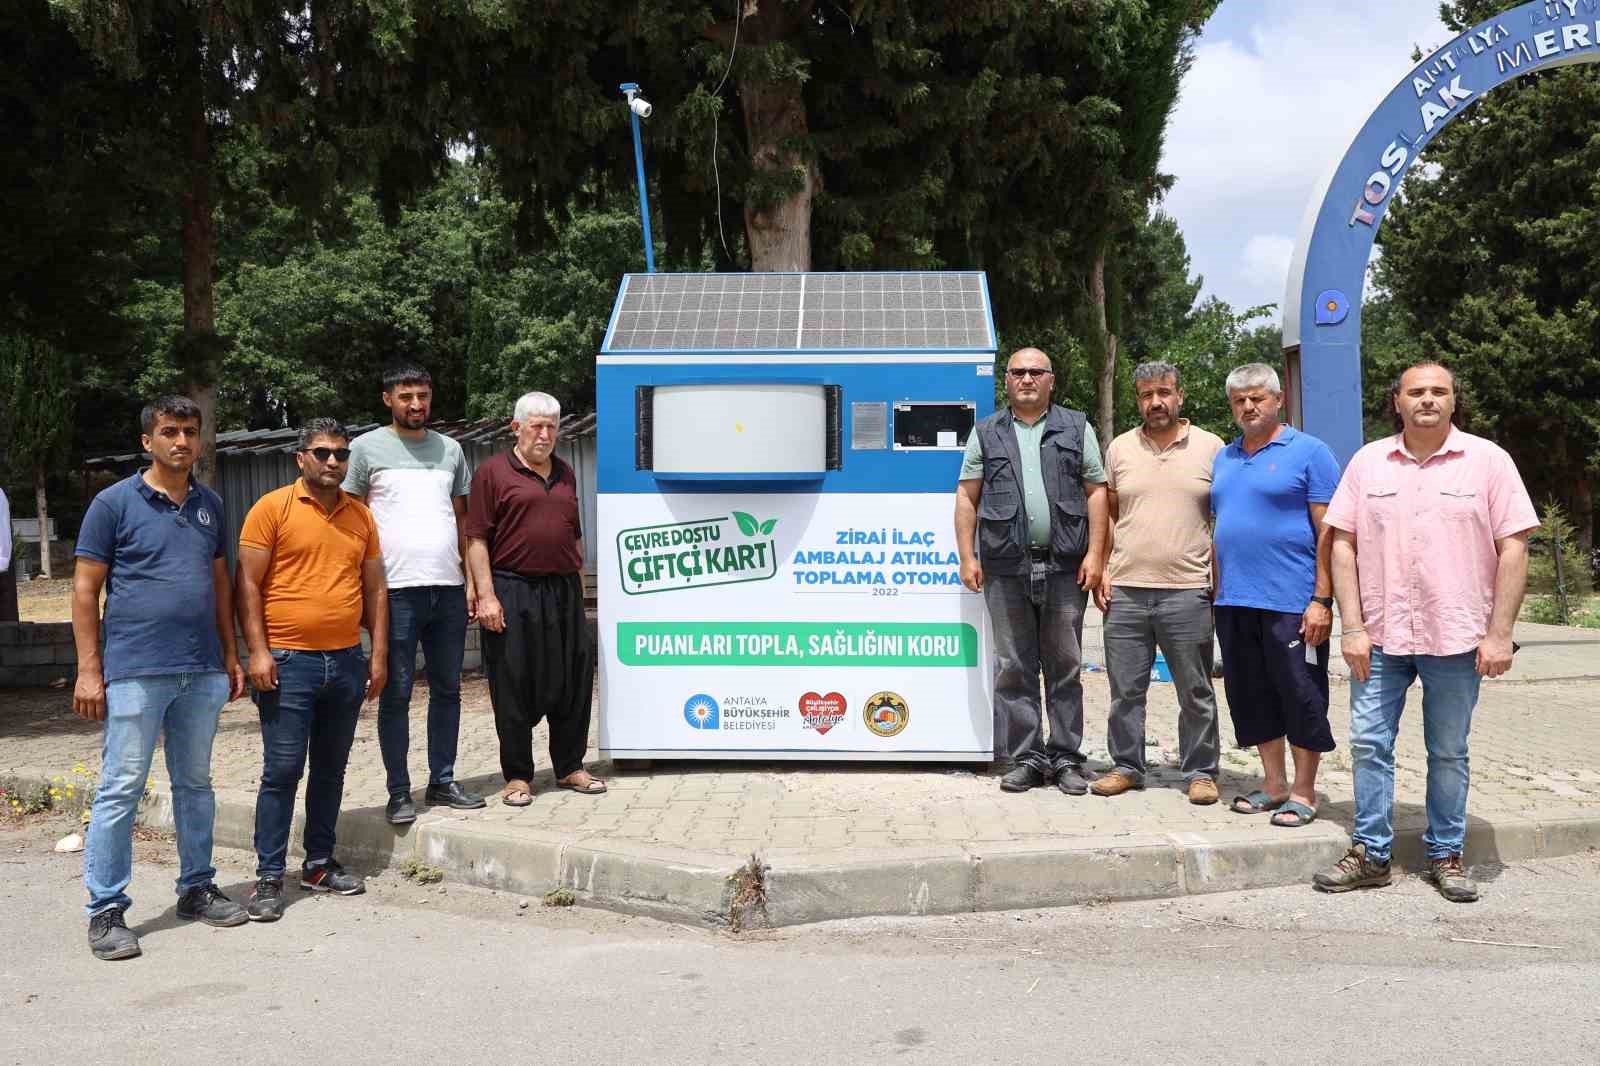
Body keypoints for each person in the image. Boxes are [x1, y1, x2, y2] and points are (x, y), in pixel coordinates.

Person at [1314, 362, 1537, 903]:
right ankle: (1371, 852)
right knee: (1369, 743)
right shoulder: (1369, 462)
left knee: (1448, 750)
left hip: (1458, 638)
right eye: (1417, 392)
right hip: (1381, 637)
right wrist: (1353, 626)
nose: (1428, 400)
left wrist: (1499, 633)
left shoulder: (1488, 462)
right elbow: (1341, 543)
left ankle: (1446, 853)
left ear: (1454, 401)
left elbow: (1515, 547)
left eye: (1439, 391)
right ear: (1398, 402)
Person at [71, 396, 248, 960]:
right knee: (120, 788)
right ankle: (106, 911)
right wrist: (88, 670)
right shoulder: (113, 503)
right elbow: (83, 591)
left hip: (200, 670)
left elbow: (220, 585)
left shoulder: (210, 505)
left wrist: (230, 654)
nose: (181, 441)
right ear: (147, 440)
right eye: (170, 431)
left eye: (190, 432)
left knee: (195, 786)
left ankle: (196, 888)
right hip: (134, 670)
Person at [236, 418, 388, 921]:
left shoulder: (360, 517)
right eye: (322, 453)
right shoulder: (271, 509)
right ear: (300, 457)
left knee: (331, 769)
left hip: (345, 662)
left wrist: (379, 654)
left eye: (341, 455)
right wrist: (257, 652)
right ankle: (267, 878)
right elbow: (248, 586)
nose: (332, 463)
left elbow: (375, 591)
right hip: (287, 663)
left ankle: (318, 863)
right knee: (281, 772)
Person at [955, 347, 1108, 794]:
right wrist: (968, 556)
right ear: (1006, 380)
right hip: (1005, 567)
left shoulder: (1077, 427)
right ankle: (1026, 757)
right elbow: (967, 497)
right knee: (1014, 667)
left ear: (1051, 379)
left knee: (1065, 666)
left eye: (1035, 372)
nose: (1026, 379)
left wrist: (1096, 555)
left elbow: (1097, 493)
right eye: (1018, 372)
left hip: (1064, 566)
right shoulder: (986, 432)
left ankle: (1065, 758)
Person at [343, 364, 483, 824]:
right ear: (388, 399)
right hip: (394, 593)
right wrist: (361, 593)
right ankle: (399, 790)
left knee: (448, 689)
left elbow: (462, 520)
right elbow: (350, 525)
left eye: (423, 395)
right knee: (396, 692)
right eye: (406, 396)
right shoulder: (363, 449)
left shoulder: (451, 450)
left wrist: (470, 582)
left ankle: (442, 780)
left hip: (446, 590)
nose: (416, 404)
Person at [1210, 363, 1341, 825]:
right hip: (1233, 602)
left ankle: (1305, 791)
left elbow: (1328, 531)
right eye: (1239, 400)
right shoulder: (1224, 457)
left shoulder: (1310, 452)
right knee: (1251, 694)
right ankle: (1273, 784)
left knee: (1300, 693)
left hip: (1292, 603)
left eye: (1257, 398)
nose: (1248, 406)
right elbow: (1220, 528)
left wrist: (1322, 600)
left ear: (1278, 400)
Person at [1092, 362, 1225, 805]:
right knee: (1125, 690)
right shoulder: (1120, 448)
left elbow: (1223, 518)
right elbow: (1110, 513)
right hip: (1127, 589)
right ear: (1138, 401)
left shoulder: (1211, 447)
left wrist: (1217, 578)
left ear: (1180, 396)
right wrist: (1104, 566)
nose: (1157, 402)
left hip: (1188, 589)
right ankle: (1127, 766)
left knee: (1196, 689)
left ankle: (1201, 770)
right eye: (1147, 395)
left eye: (1164, 393)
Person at [465, 391, 602, 806]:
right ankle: (519, 776)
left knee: (573, 680)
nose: (544, 434)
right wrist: (486, 596)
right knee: (513, 684)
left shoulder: (565, 473)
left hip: (562, 591)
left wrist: (577, 593)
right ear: (516, 428)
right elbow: (476, 538)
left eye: (551, 426)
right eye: (536, 426)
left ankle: (569, 766)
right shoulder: (491, 473)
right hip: (512, 589)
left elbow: (573, 536)